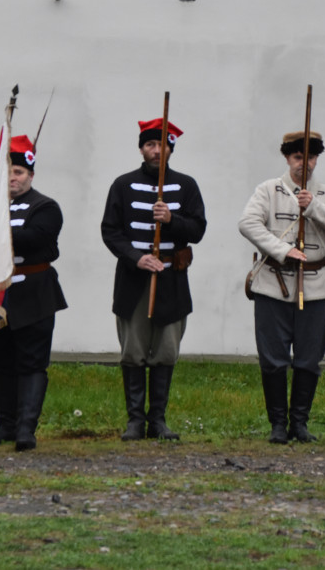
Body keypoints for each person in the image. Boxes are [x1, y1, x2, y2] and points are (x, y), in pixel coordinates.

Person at [238, 131, 325, 444]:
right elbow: (248, 223)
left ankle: (299, 424)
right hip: (273, 285)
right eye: (298, 157)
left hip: (316, 287)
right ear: (287, 158)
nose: (305, 163)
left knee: (308, 360)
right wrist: (282, 250)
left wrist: (314, 206)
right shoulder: (268, 190)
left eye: (311, 157)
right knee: (273, 359)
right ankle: (278, 425)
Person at [0, 135, 68, 452]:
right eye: (6, 172)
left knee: (31, 363)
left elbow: (37, 238)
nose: (13, 178)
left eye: (18, 172)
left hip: (33, 296)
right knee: (0, 361)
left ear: (30, 175)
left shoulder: (46, 207)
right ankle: (5, 424)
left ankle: (25, 429)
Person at [100, 118, 207, 441]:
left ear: (171, 148)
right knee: (133, 350)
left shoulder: (186, 186)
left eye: (162, 145)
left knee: (166, 349)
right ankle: (135, 421)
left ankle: (157, 420)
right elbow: (110, 231)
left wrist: (172, 220)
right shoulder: (122, 185)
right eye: (150, 144)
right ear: (141, 148)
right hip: (134, 280)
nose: (157, 150)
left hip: (171, 279)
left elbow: (198, 230)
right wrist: (136, 257)